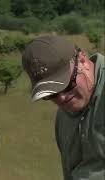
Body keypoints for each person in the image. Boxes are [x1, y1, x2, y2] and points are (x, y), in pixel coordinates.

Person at [22, 35, 105, 180]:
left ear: (83, 60)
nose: (62, 98)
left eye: (67, 85)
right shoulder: (63, 118)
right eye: (51, 95)